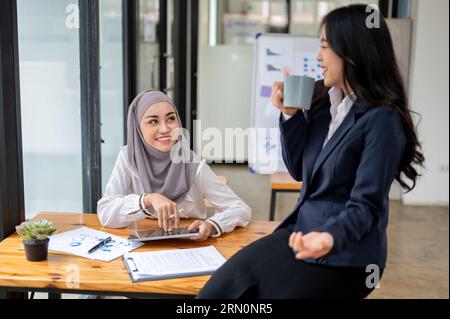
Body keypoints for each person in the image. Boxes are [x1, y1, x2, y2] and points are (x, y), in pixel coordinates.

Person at [197, 4, 424, 298]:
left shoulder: (382, 119)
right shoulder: (322, 98)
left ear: (352, 51)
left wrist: (329, 238)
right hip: (301, 232)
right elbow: (299, 171)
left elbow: (366, 204)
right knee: (219, 291)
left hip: (347, 256)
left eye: (325, 47)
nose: (318, 57)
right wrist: (291, 115)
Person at [97, 91, 251, 240]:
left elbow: (241, 209)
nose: (165, 129)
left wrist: (212, 224)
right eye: (153, 121)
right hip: (142, 248)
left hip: (190, 247)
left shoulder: (191, 163)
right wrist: (148, 200)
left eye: (171, 119)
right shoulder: (129, 157)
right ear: (137, 127)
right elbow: (105, 212)